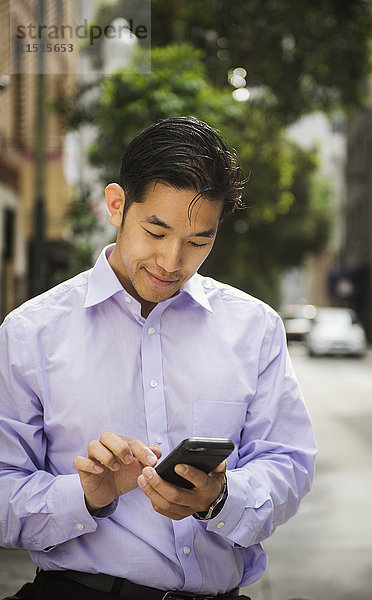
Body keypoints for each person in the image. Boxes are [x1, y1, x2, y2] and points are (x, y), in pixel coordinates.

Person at [0, 116, 316, 600]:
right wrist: (85, 496)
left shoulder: (255, 329)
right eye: (156, 230)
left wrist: (220, 499)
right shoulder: (31, 334)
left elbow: (289, 463)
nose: (172, 262)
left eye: (198, 242)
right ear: (116, 205)